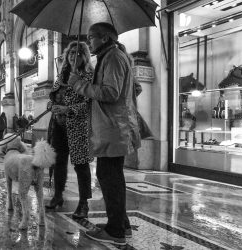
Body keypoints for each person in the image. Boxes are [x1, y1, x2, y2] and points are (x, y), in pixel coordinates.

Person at [70, 22, 141, 245]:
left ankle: (116, 232)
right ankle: (122, 225)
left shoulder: (113, 57)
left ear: (104, 38)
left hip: (113, 129)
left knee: (110, 179)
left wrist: (79, 85)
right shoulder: (112, 57)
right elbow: (133, 88)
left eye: (91, 37)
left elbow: (111, 92)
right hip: (112, 128)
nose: (88, 42)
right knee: (112, 179)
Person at [46, 41, 94, 222]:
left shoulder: (88, 75)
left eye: (79, 53)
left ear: (85, 56)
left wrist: (68, 110)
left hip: (78, 126)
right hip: (58, 125)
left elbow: (90, 103)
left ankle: (83, 203)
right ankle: (57, 195)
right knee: (58, 162)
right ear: (67, 55)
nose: (74, 56)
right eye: (71, 52)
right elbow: (53, 96)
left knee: (81, 165)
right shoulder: (62, 74)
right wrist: (52, 105)